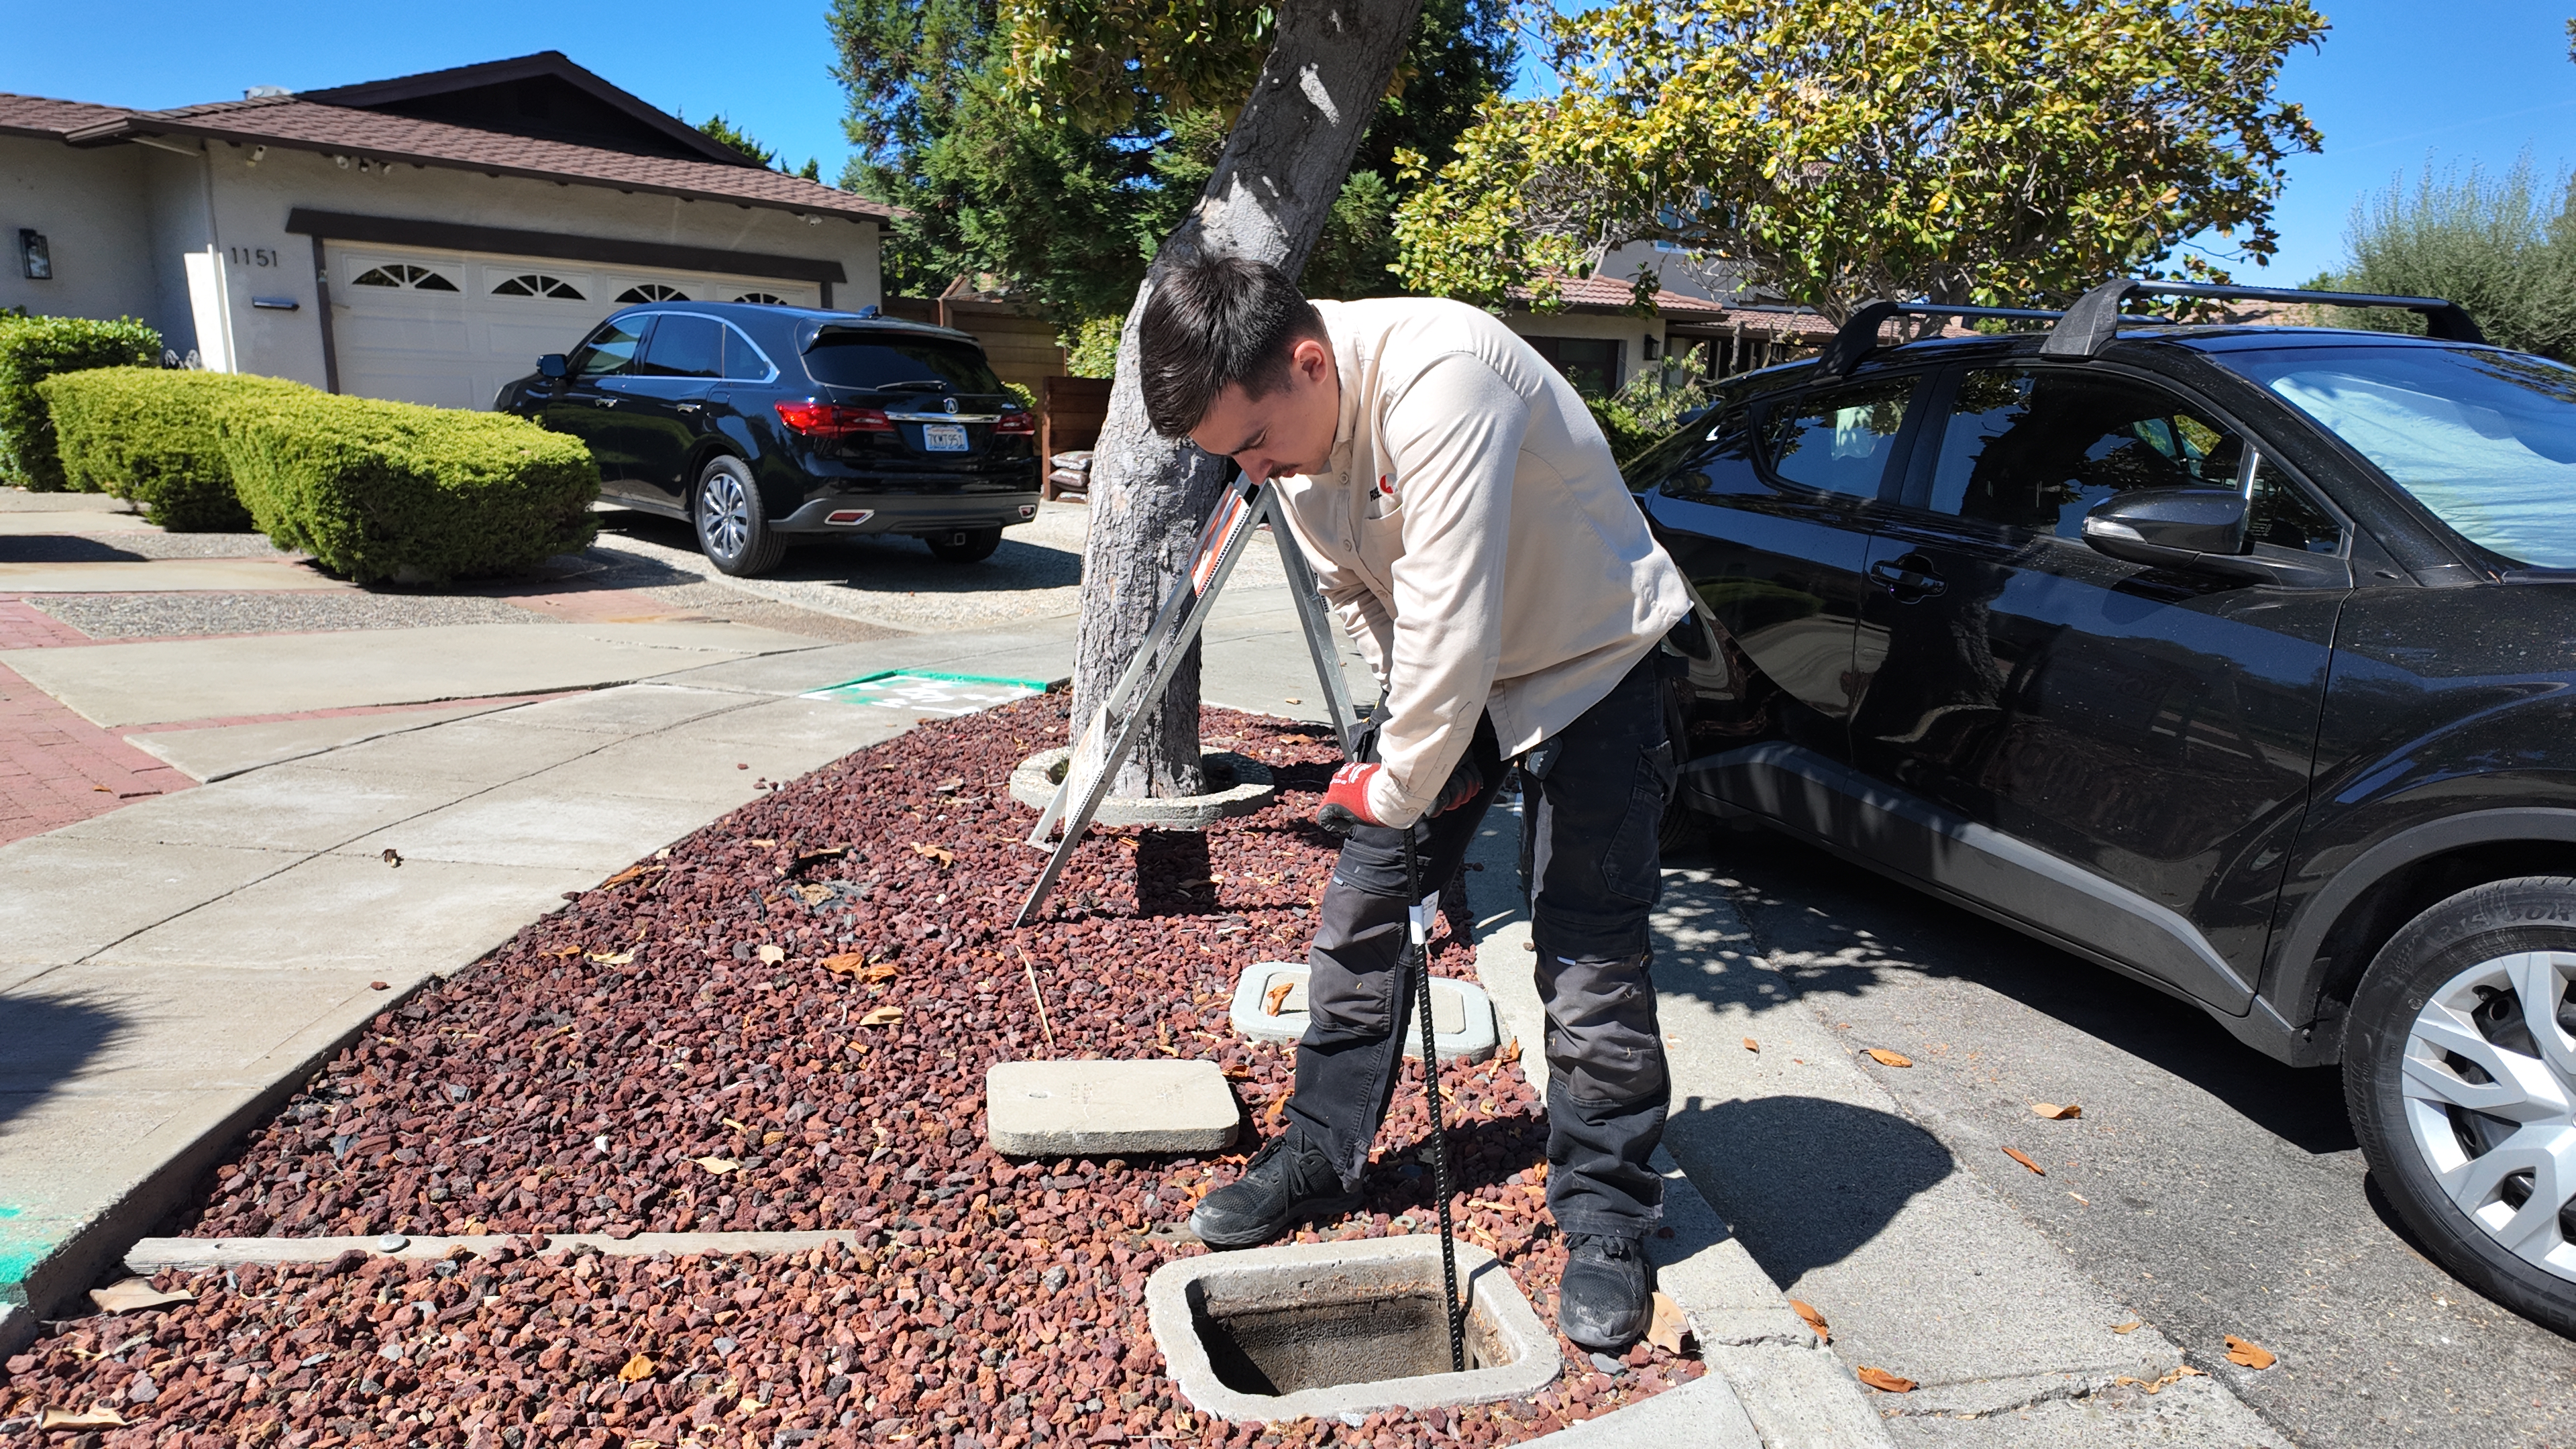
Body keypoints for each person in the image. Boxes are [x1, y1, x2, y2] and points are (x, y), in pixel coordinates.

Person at [1136, 254, 1695, 1353]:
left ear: (1308, 363)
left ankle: (1609, 1220)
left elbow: (1451, 619)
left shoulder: (1441, 380)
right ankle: (1318, 1149)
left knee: (1587, 956)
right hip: (1467, 683)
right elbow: (1364, 598)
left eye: (1251, 444)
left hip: (1600, 664)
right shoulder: (1286, 436)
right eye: (1231, 458)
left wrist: (1397, 785)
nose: (1251, 470)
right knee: (1361, 913)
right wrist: (1396, 740)